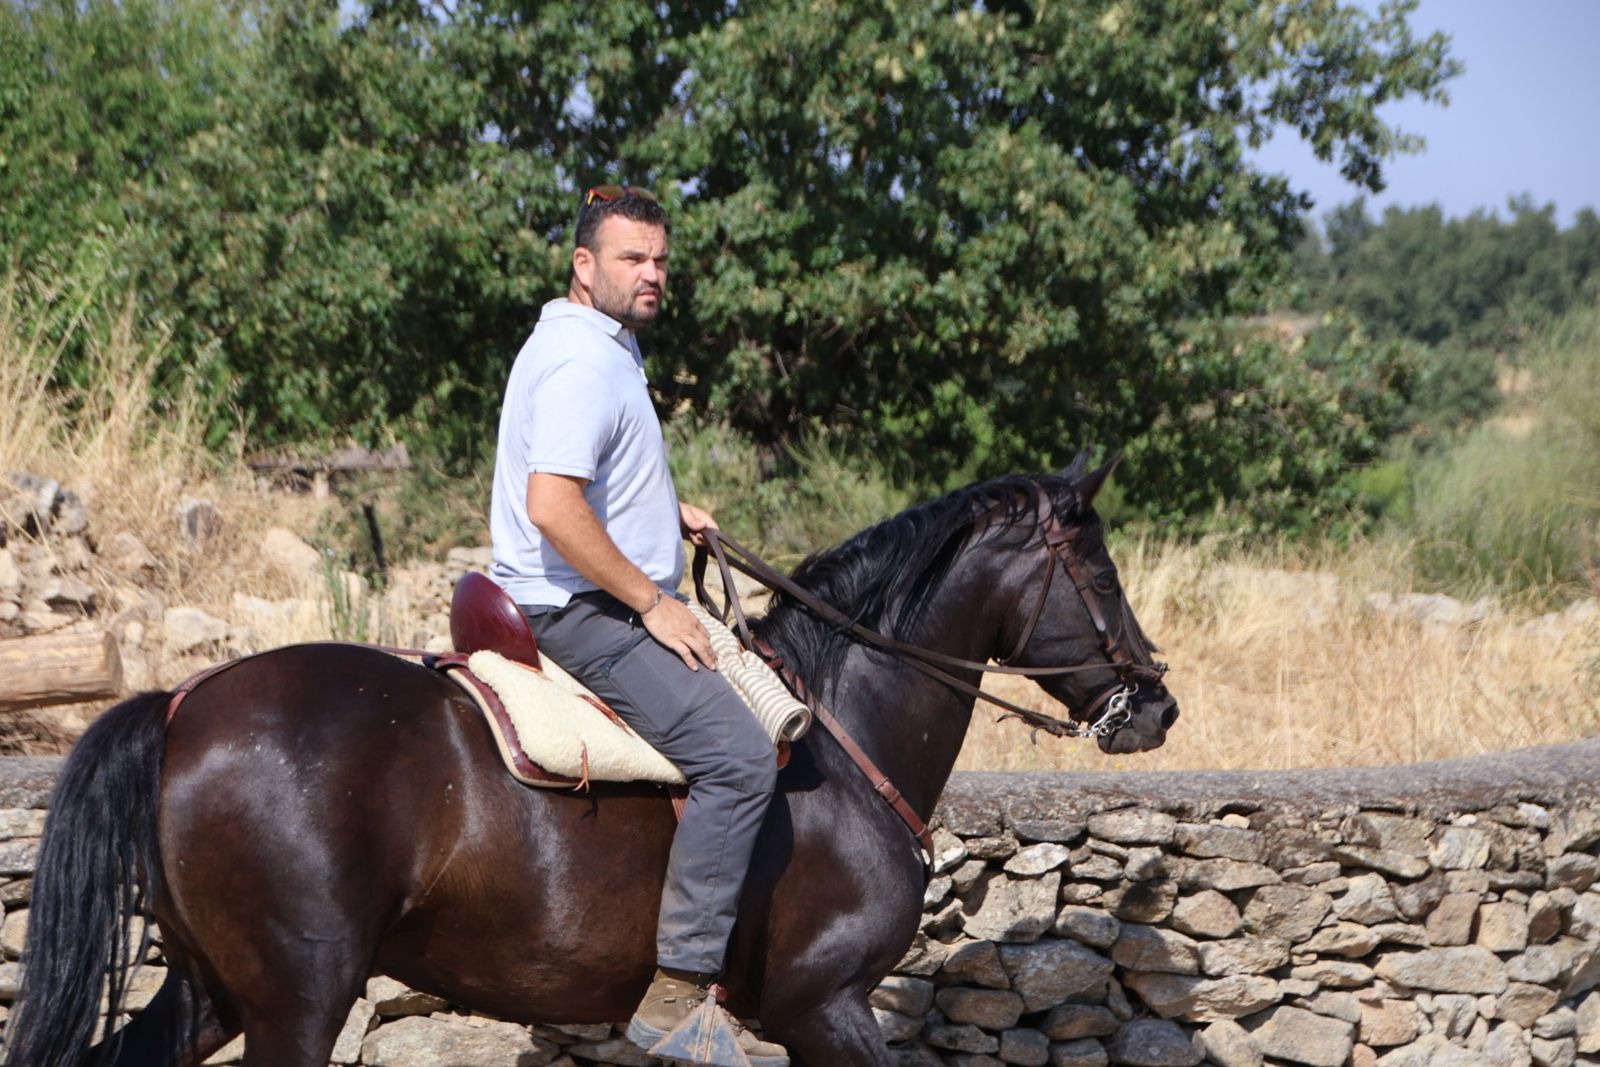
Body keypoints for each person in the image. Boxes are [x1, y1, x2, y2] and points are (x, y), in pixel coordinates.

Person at [488, 184, 785, 1064]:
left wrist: (664, 507)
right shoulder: (587, 361)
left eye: (658, 259)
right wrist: (654, 600)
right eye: (630, 258)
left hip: (590, 587)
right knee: (737, 758)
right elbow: (552, 503)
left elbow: (591, 472)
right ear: (585, 266)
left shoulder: (594, 345)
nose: (651, 273)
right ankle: (678, 995)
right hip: (582, 610)